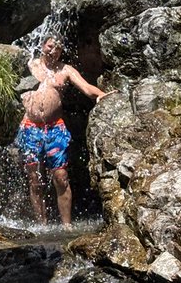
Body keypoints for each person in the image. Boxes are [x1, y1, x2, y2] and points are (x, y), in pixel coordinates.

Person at [14, 34, 111, 226]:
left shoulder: (65, 70)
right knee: (34, 178)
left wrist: (101, 94)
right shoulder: (29, 65)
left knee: (61, 177)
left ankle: (66, 226)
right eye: (50, 46)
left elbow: (86, 87)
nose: (53, 51)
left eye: (57, 48)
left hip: (55, 129)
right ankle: (42, 226)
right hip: (29, 127)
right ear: (43, 45)